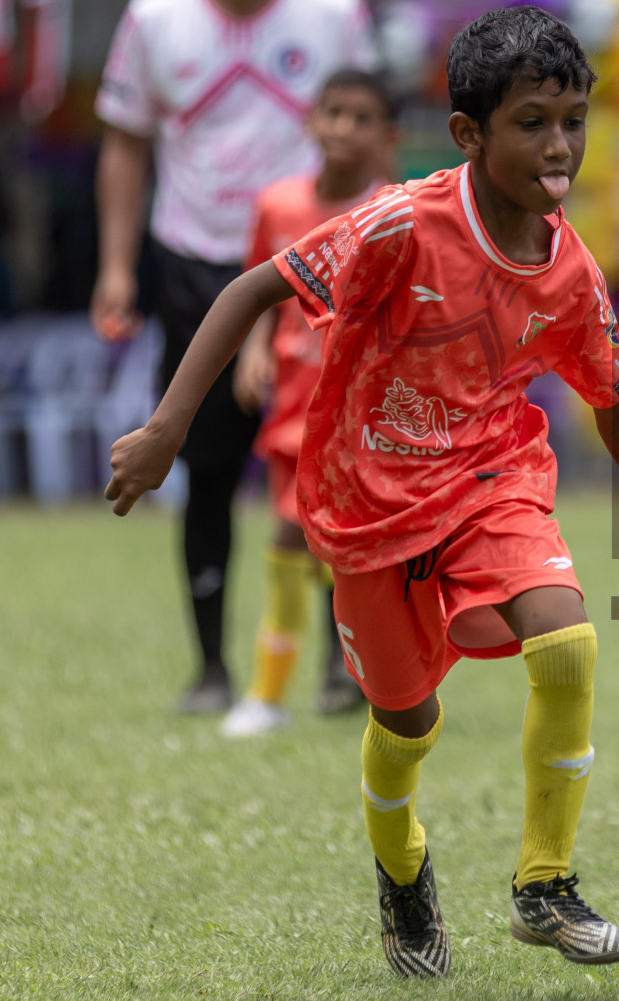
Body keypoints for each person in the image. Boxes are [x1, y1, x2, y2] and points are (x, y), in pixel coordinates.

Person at [105, 7, 619, 972]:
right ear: (468, 134)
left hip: (492, 482)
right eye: (532, 122)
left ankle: (544, 884)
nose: (558, 145)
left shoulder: (570, 271)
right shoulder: (400, 222)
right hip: (367, 507)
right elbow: (249, 292)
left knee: (565, 639)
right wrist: (166, 430)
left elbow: (617, 407)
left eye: (572, 118)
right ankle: (403, 876)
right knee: (406, 725)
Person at [93, 0, 378, 713]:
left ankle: (341, 668)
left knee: (339, 476)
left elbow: (377, 132)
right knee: (208, 468)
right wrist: (118, 267)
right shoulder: (153, 17)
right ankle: (212, 667)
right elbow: (125, 144)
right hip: (197, 261)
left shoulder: (335, 12)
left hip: (321, 266)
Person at [219, 70, 398, 738]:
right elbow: (258, 288)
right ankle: (274, 692)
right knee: (293, 539)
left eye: (361, 117)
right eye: (334, 113)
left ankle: (344, 680)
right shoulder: (278, 204)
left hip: (368, 415)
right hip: (295, 405)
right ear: (310, 121)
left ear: (387, 135)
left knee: (339, 551)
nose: (344, 129)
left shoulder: (397, 211)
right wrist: (254, 347)